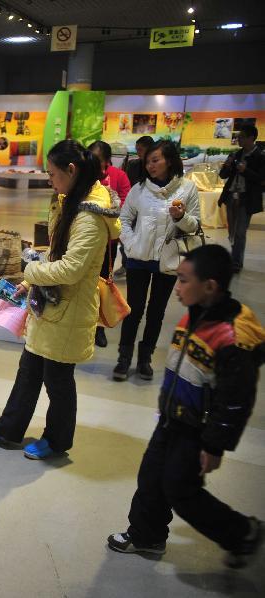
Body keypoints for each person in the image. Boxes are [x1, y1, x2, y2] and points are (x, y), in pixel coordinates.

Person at [107, 244, 264, 568]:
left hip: (197, 429)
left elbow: (236, 401)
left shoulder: (232, 337)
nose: (177, 287)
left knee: (181, 490)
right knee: (151, 477)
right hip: (172, 417)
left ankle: (242, 533)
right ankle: (146, 535)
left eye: (183, 280)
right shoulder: (197, 312)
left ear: (210, 286)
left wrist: (214, 445)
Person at [0, 140, 120, 460]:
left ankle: (57, 440)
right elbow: (58, 255)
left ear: (72, 171)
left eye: (53, 174)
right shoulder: (73, 201)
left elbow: (72, 268)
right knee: (30, 369)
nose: (50, 180)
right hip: (52, 306)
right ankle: (7, 429)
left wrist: (30, 269)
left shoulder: (90, 216)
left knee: (58, 380)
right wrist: (28, 281)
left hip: (69, 310)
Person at [115, 140, 200, 382]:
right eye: (148, 161)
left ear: (170, 160)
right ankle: (124, 357)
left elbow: (195, 225)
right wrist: (131, 245)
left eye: (155, 160)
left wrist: (181, 217)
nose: (150, 166)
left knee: (156, 312)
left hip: (168, 261)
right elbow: (124, 219)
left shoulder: (188, 189)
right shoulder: (139, 189)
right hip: (138, 259)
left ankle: (145, 358)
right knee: (134, 309)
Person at [89, 140, 131, 348]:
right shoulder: (83, 175)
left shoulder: (118, 176)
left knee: (103, 283)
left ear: (107, 161)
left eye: (97, 160)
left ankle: (99, 327)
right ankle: (85, 324)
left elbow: (125, 200)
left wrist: (108, 209)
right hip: (87, 240)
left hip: (108, 242)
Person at [218, 124, 264, 273]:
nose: (238, 139)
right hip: (231, 196)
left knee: (240, 232)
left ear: (251, 138)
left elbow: (261, 180)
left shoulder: (260, 156)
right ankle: (234, 259)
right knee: (232, 231)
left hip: (246, 198)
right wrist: (227, 166)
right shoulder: (236, 154)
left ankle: (236, 263)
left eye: (241, 137)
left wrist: (245, 171)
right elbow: (223, 175)